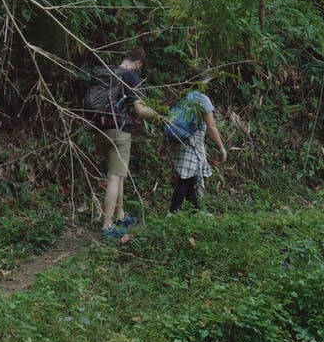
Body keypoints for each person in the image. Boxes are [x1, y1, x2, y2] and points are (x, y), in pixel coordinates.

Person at [95, 47, 155, 241]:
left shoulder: (108, 72)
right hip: (119, 131)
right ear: (139, 63)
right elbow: (141, 110)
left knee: (119, 175)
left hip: (99, 129)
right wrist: (161, 114)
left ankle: (120, 216)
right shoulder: (131, 78)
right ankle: (107, 226)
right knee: (114, 177)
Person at [158, 68, 227, 213]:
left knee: (190, 177)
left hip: (175, 140)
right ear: (201, 83)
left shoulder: (180, 97)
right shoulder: (201, 99)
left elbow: (168, 120)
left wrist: (163, 144)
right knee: (185, 178)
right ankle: (172, 213)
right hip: (191, 143)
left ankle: (196, 211)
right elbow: (211, 126)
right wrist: (221, 147)